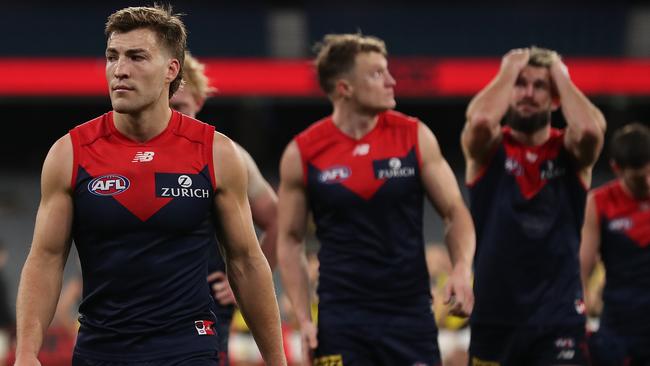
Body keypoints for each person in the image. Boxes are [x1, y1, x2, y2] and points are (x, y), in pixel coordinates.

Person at [14, 5, 286, 366]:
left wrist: (276, 359)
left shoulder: (216, 152)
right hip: (101, 350)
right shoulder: (70, 153)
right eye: (113, 56)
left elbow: (247, 262)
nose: (119, 70)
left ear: (171, 70)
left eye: (137, 57)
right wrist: (26, 353)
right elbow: (45, 260)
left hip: (188, 348)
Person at [277, 33, 476, 366]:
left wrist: (461, 269)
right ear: (345, 88)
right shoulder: (303, 151)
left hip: (409, 315)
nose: (391, 80)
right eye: (377, 74)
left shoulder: (415, 135)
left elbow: (455, 211)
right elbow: (290, 239)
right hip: (340, 319)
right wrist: (303, 317)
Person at [462, 46, 606, 365]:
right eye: (520, 84)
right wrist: (507, 70)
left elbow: (590, 130)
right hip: (495, 316)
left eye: (539, 86)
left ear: (555, 98)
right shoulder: (487, 149)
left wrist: (559, 73)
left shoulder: (568, 150)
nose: (528, 93)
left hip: (557, 316)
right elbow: (483, 119)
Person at [170, 52, 279, 365]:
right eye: (166, 106)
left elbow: (276, 219)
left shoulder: (225, 154)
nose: (173, 116)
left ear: (199, 102)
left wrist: (239, 284)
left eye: (181, 107)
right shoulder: (133, 154)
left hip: (205, 305)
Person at [580, 123, 650, 365]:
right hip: (620, 325)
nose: (647, 182)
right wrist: (578, 319)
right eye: (639, 179)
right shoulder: (599, 203)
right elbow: (582, 269)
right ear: (616, 169)